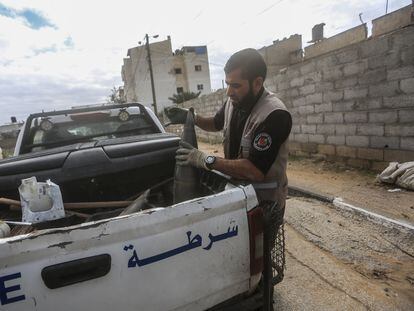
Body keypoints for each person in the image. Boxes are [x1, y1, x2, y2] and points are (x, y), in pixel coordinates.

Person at [165, 48, 291, 310]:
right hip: (237, 195)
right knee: (237, 256)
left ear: (257, 83)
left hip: (265, 203)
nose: (230, 91)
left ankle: (263, 301)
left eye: (236, 85)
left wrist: (206, 160)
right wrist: (192, 117)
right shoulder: (235, 102)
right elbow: (216, 122)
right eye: (227, 85)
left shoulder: (275, 115)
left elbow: (256, 170)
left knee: (260, 262)